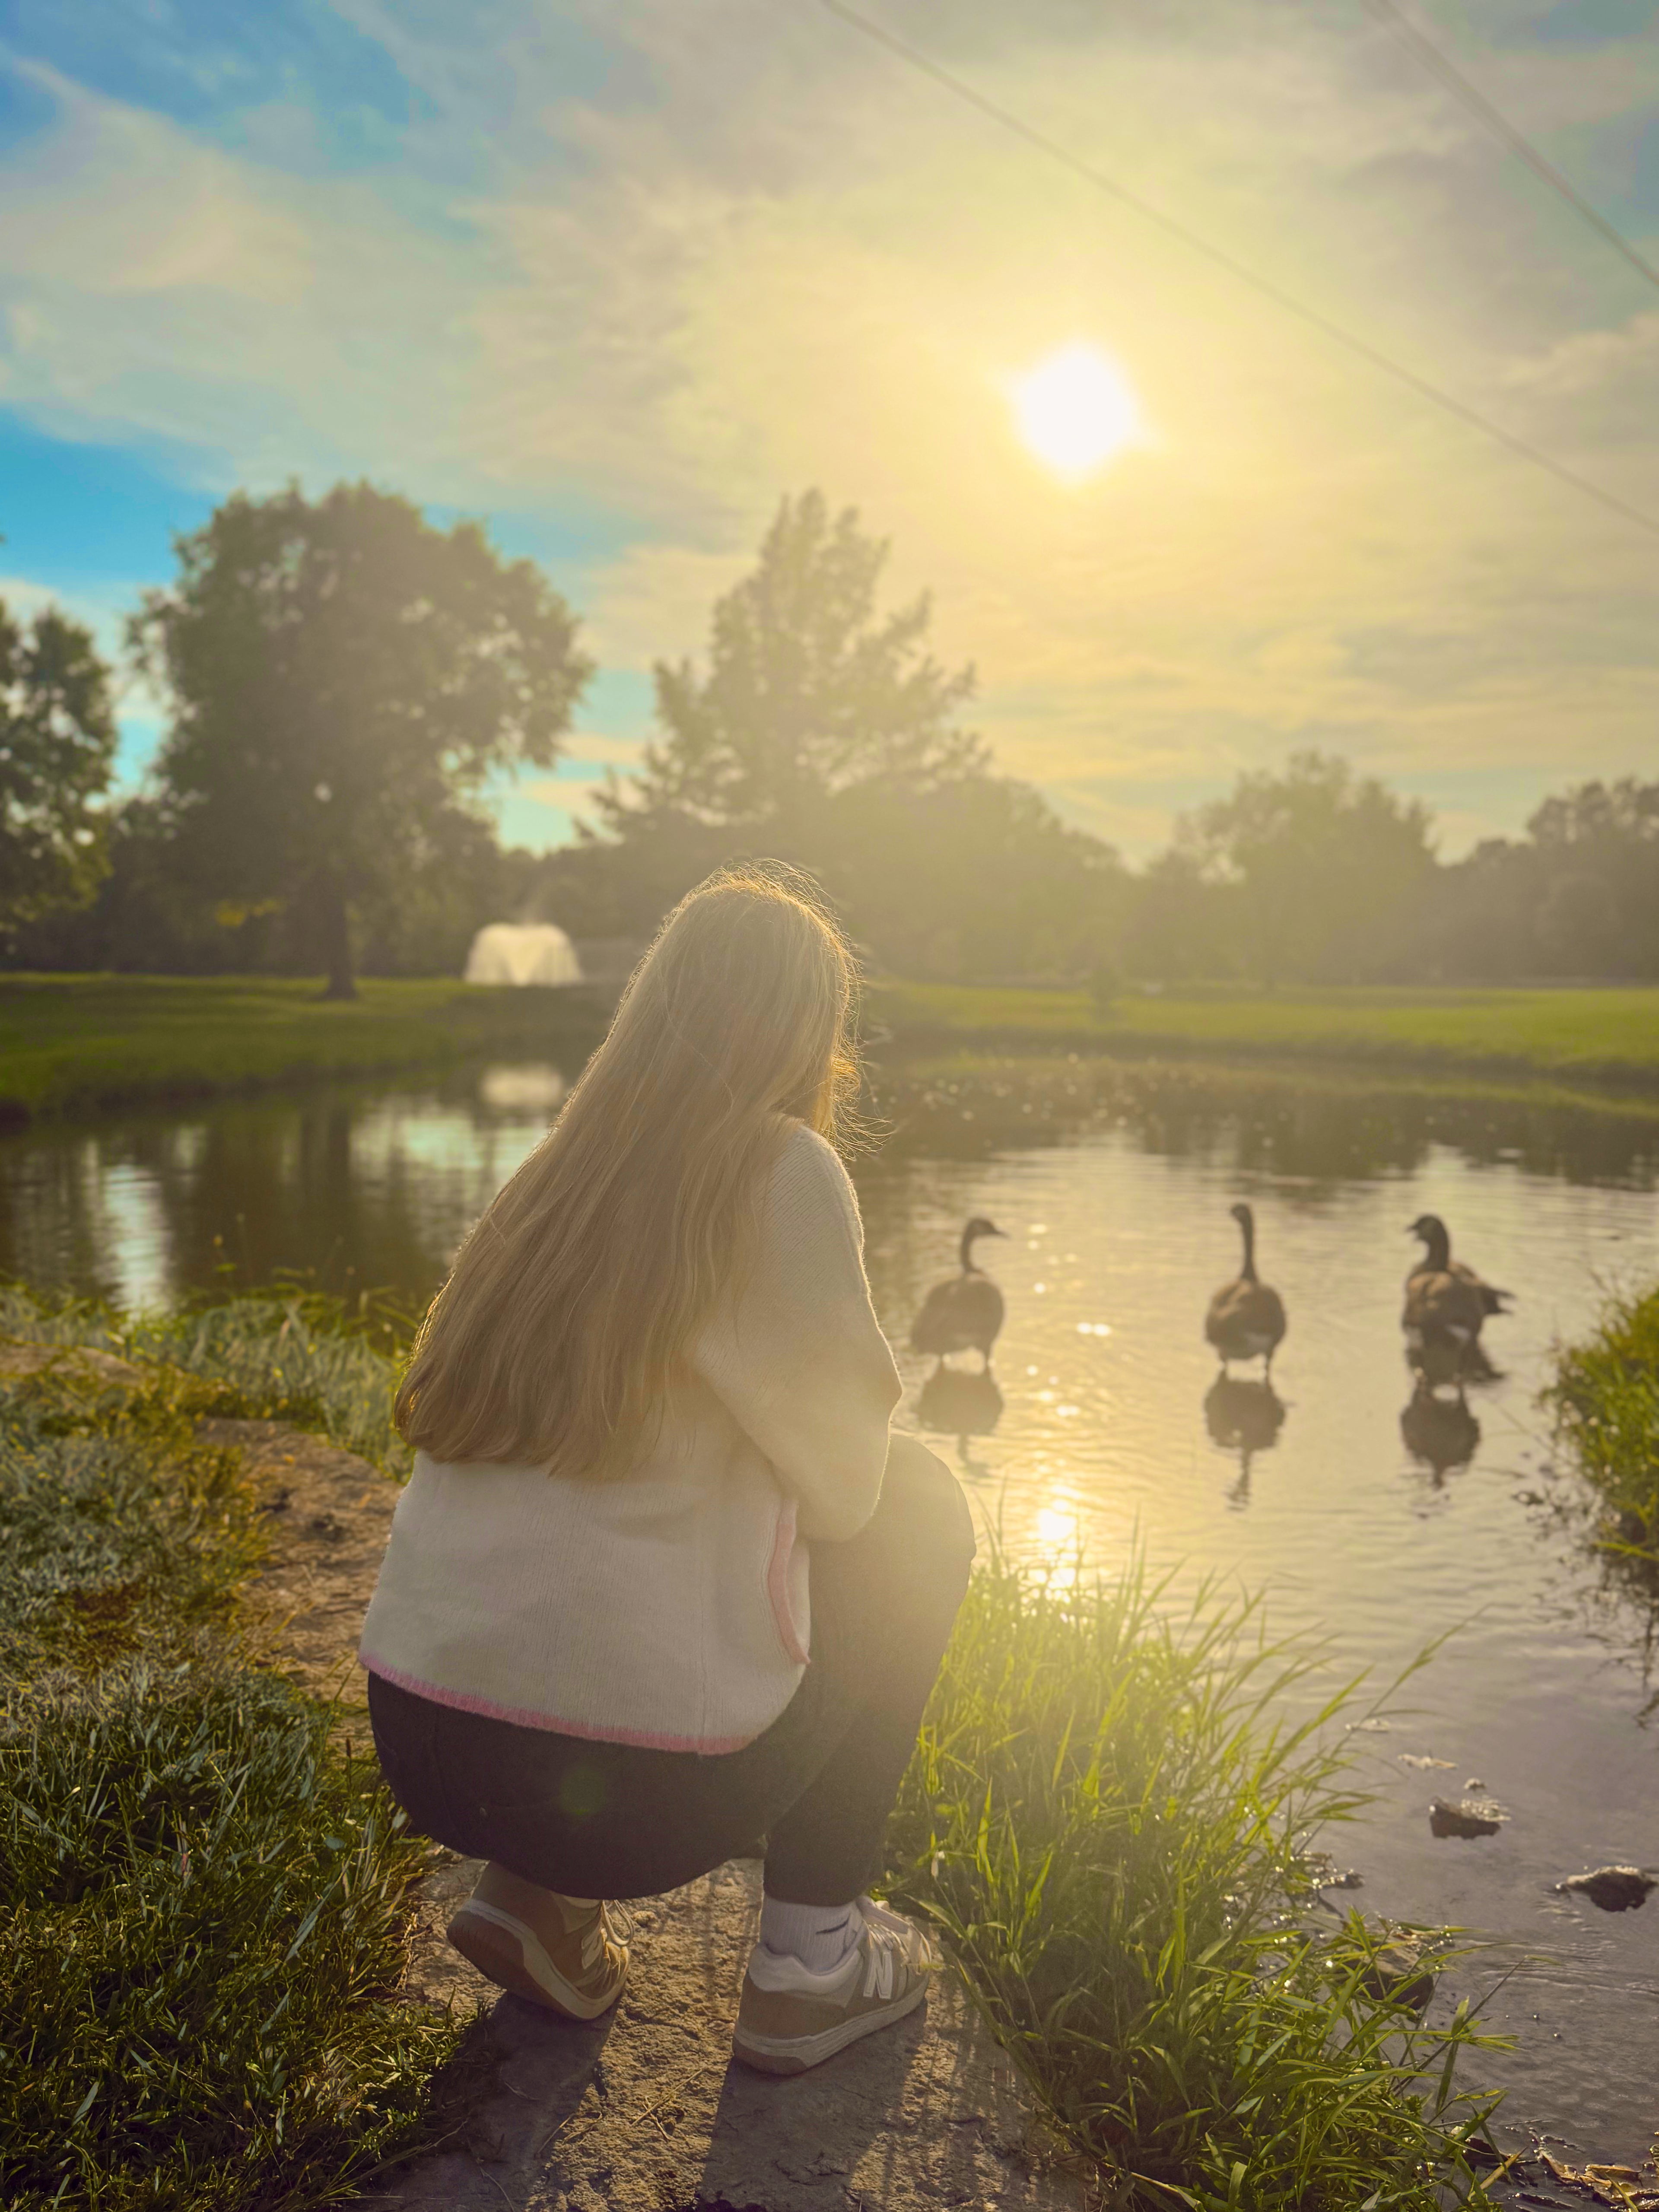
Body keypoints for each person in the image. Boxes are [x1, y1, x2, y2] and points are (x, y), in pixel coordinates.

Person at [359, 862, 975, 2076]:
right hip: (639, 1804)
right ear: (811, 1033)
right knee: (919, 1509)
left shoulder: (555, 1176)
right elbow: (851, 1491)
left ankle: (529, 1900)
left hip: (422, 1746)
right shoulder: (778, 1168)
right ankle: (810, 1960)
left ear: (652, 1007)